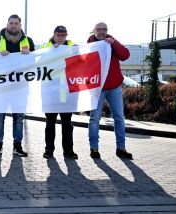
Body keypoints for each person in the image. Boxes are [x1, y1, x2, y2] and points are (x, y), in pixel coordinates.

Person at [0, 14, 35, 157]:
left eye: (16, 23)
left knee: (19, 117)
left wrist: (30, 55)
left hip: (20, 87)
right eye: (11, 23)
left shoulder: (29, 41)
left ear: (20, 25)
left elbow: (35, 63)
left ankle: (17, 145)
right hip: (0, 86)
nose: (13, 25)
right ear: (7, 24)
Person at [87, 22, 133, 159]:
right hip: (97, 89)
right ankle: (94, 148)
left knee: (119, 118)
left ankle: (121, 148)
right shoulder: (89, 46)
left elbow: (125, 55)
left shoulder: (111, 42)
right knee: (94, 118)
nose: (102, 32)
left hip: (114, 87)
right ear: (93, 31)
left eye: (104, 29)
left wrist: (113, 43)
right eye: (99, 29)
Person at [41, 25, 78, 159]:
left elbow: (81, 59)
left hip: (66, 91)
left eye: (63, 35)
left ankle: (68, 150)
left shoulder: (72, 46)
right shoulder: (46, 47)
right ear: (54, 35)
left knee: (67, 123)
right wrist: (50, 50)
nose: (61, 38)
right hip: (51, 91)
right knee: (50, 123)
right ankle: (49, 150)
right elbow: (38, 62)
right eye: (58, 35)